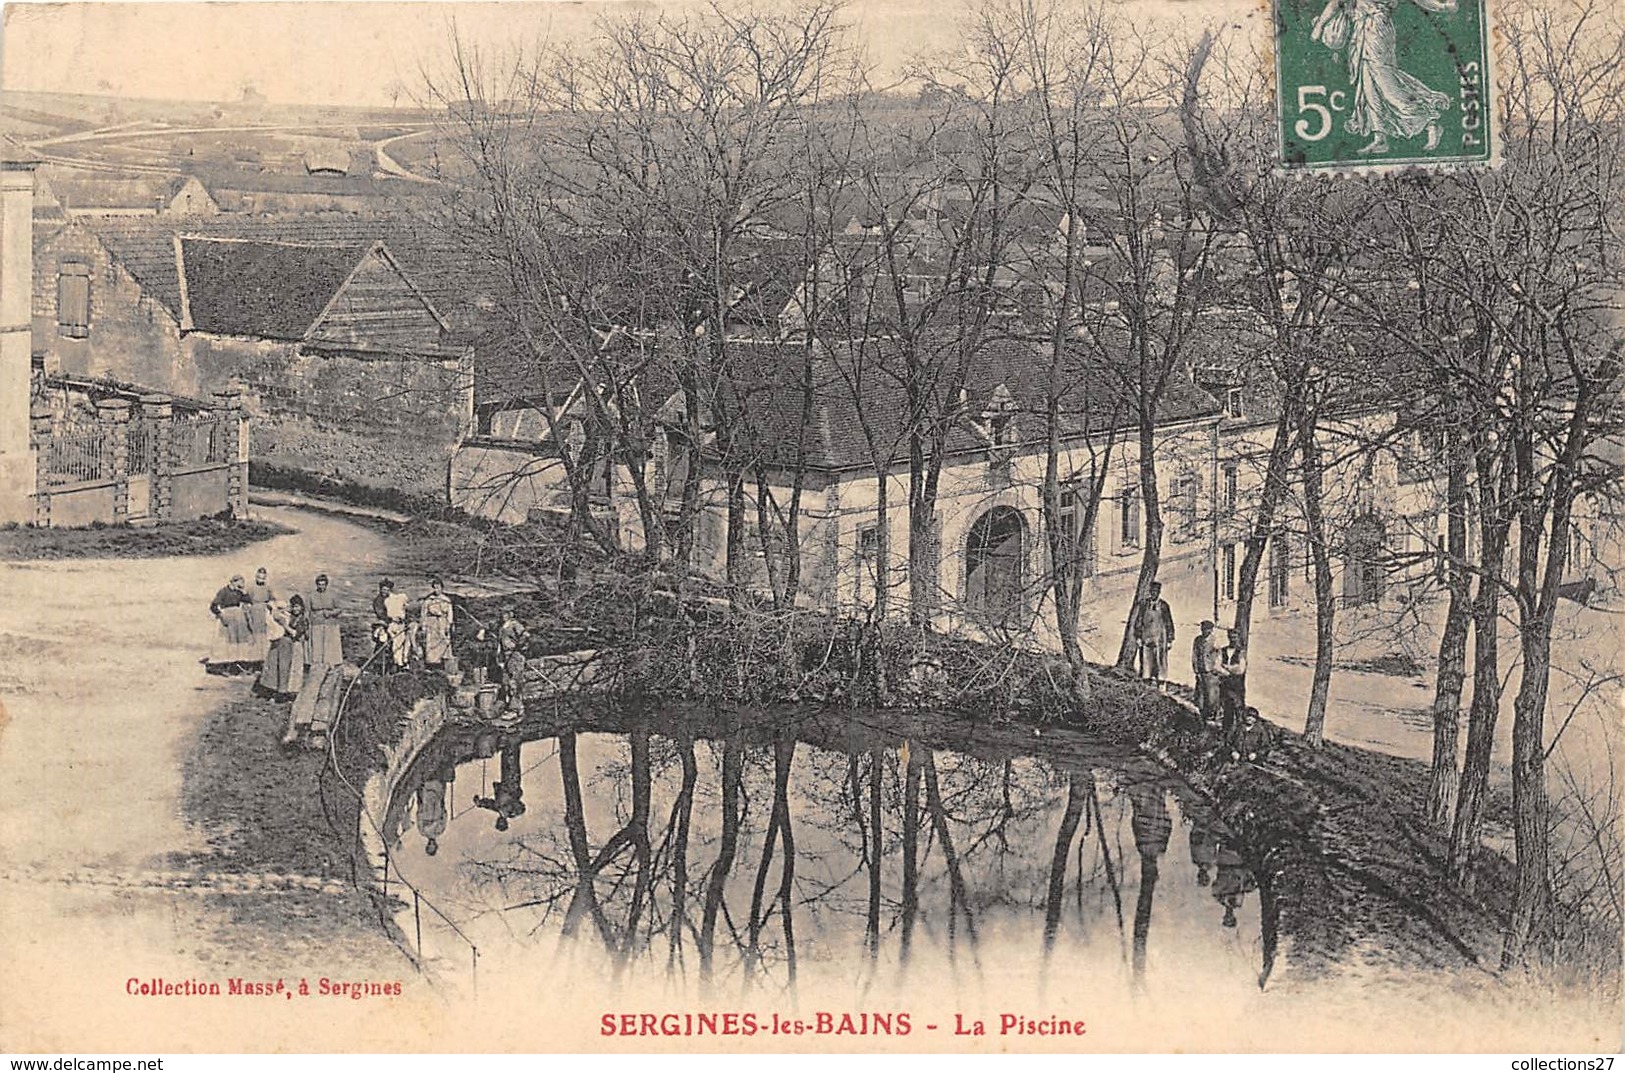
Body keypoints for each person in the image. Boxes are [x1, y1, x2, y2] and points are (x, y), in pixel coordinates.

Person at [1311, 0, 1455, 155]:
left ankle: (1430, 122)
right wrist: (1319, 26)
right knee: (1368, 84)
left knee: (1387, 84)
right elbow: (1337, 2)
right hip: (1360, 32)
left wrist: (1442, 6)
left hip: (1377, 30)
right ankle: (1380, 138)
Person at [259, 595, 307, 703]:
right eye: (293, 607)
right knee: (275, 667)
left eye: (298, 607)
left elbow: (295, 634)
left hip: (293, 647)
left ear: (302, 608)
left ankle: (286, 694)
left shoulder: (302, 620)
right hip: (282, 644)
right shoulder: (288, 615)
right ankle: (274, 691)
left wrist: (284, 625)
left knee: (288, 670)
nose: (296, 609)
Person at [208, 574, 254, 674]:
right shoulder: (223, 591)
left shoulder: (239, 592)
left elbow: (249, 601)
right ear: (233, 582)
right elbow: (213, 606)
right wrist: (221, 616)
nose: (241, 585)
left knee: (237, 642)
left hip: (237, 618)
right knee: (226, 642)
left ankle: (236, 665)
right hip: (227, 617)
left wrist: (245, 593)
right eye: (240, 582)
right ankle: (224, 666)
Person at [1133, 582, 1176, 687]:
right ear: (1149, 592)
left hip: (1160, 639)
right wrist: (1138, 637)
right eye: (1152, 592)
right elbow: (1138, 621)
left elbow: (1168, 623)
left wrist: (1170, 640)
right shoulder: (1144, 605)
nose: (1153, 594)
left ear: (1159, 593)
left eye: (1156, 592)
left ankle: (1161, 683)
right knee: (1146, 660)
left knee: (1160, 660)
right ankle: (1147, 682)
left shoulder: (1164, 606)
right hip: (1146, 638)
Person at [496, 606, 530, 723]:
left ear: (510, 614)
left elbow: (525, 635)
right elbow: (500, 643)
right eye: (502, 614)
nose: (503, 616)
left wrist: (518, 646)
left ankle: (515, 709)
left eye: (506, 613)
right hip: (506, 656)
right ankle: (513, 706)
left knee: (514, 682)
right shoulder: (502, 627)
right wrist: (500, 657)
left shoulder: (515, 624)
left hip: (515, 655)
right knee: (506, 682)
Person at [305, 574, 344, 670]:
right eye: (319, 584)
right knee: (317, 644)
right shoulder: (311, 596)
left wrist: (330, 613)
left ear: (326, 585)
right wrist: (308, 623)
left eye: (323, 584)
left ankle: (330, 663)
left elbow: (339, 609)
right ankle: (317, 664)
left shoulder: (332, 595)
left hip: (330, 624)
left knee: (329, 644)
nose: (321, 586)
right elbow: (307, 611)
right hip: (316, 623)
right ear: (316, 585)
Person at [372, 578, 411, 673]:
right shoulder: (378, 601)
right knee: (383, 641)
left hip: (393, 624)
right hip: (383, 624)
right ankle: (380, 665)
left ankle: (399, 663)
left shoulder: (393, 599)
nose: (385, 591)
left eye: (387, 590)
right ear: (380, 589)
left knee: (401, 642)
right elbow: (381, 614)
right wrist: (390, 618)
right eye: (383, 589)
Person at [1219, 640, 1249, 755]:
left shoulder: (1241, 652)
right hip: (1225, 686)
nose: (1233, 639)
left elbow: (1241, 669)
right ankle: (1226, 738)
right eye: (1231, 636)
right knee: (1227, 711)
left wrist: (1226, 667)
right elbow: (1217, 666)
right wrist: (1229, 670)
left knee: (1238, 711)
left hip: (1237, 687)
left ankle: (1240, 740)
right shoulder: (1223, 650)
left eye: (1235, 637)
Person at [243, 567, 276, 668]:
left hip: (264, 612)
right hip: (254, 612)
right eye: (259, 578)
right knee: (254, 636)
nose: (261, 580)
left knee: (264, 637)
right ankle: (252, 663)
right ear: (256, 577)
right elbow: (245, 602)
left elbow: (272, 599)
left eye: (263, 578)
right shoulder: (250, 588)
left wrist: (270, 606)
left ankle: (264, 662)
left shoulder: (268, 588)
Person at [420, 577, 454, 670]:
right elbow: (424, 613)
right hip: (431, 623)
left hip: (442, 623)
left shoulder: (446, 600)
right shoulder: (429, 600)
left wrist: (448, 624)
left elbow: (450, 614)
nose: (436, 590)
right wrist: (423, 625)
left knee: (443, 642)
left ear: (442, 588)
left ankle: (442, 663)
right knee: (431, 644)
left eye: (438, 587)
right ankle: (431, 665)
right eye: (434, 587)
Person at [1192, 620, 1221, 723]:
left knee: (1212, 694)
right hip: (1201, 670)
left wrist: (1216, 668)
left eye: (1208, 629)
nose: (1205, 631)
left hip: (1211, 671)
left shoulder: (1215, 640)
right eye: (1203, 629)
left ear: (1211, 630)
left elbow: (1219, 655)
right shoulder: (1198, 640)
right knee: (1200, 694)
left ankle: (1214, 715)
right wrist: (1196, 670)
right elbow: (1194, 655)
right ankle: (1202, 715)